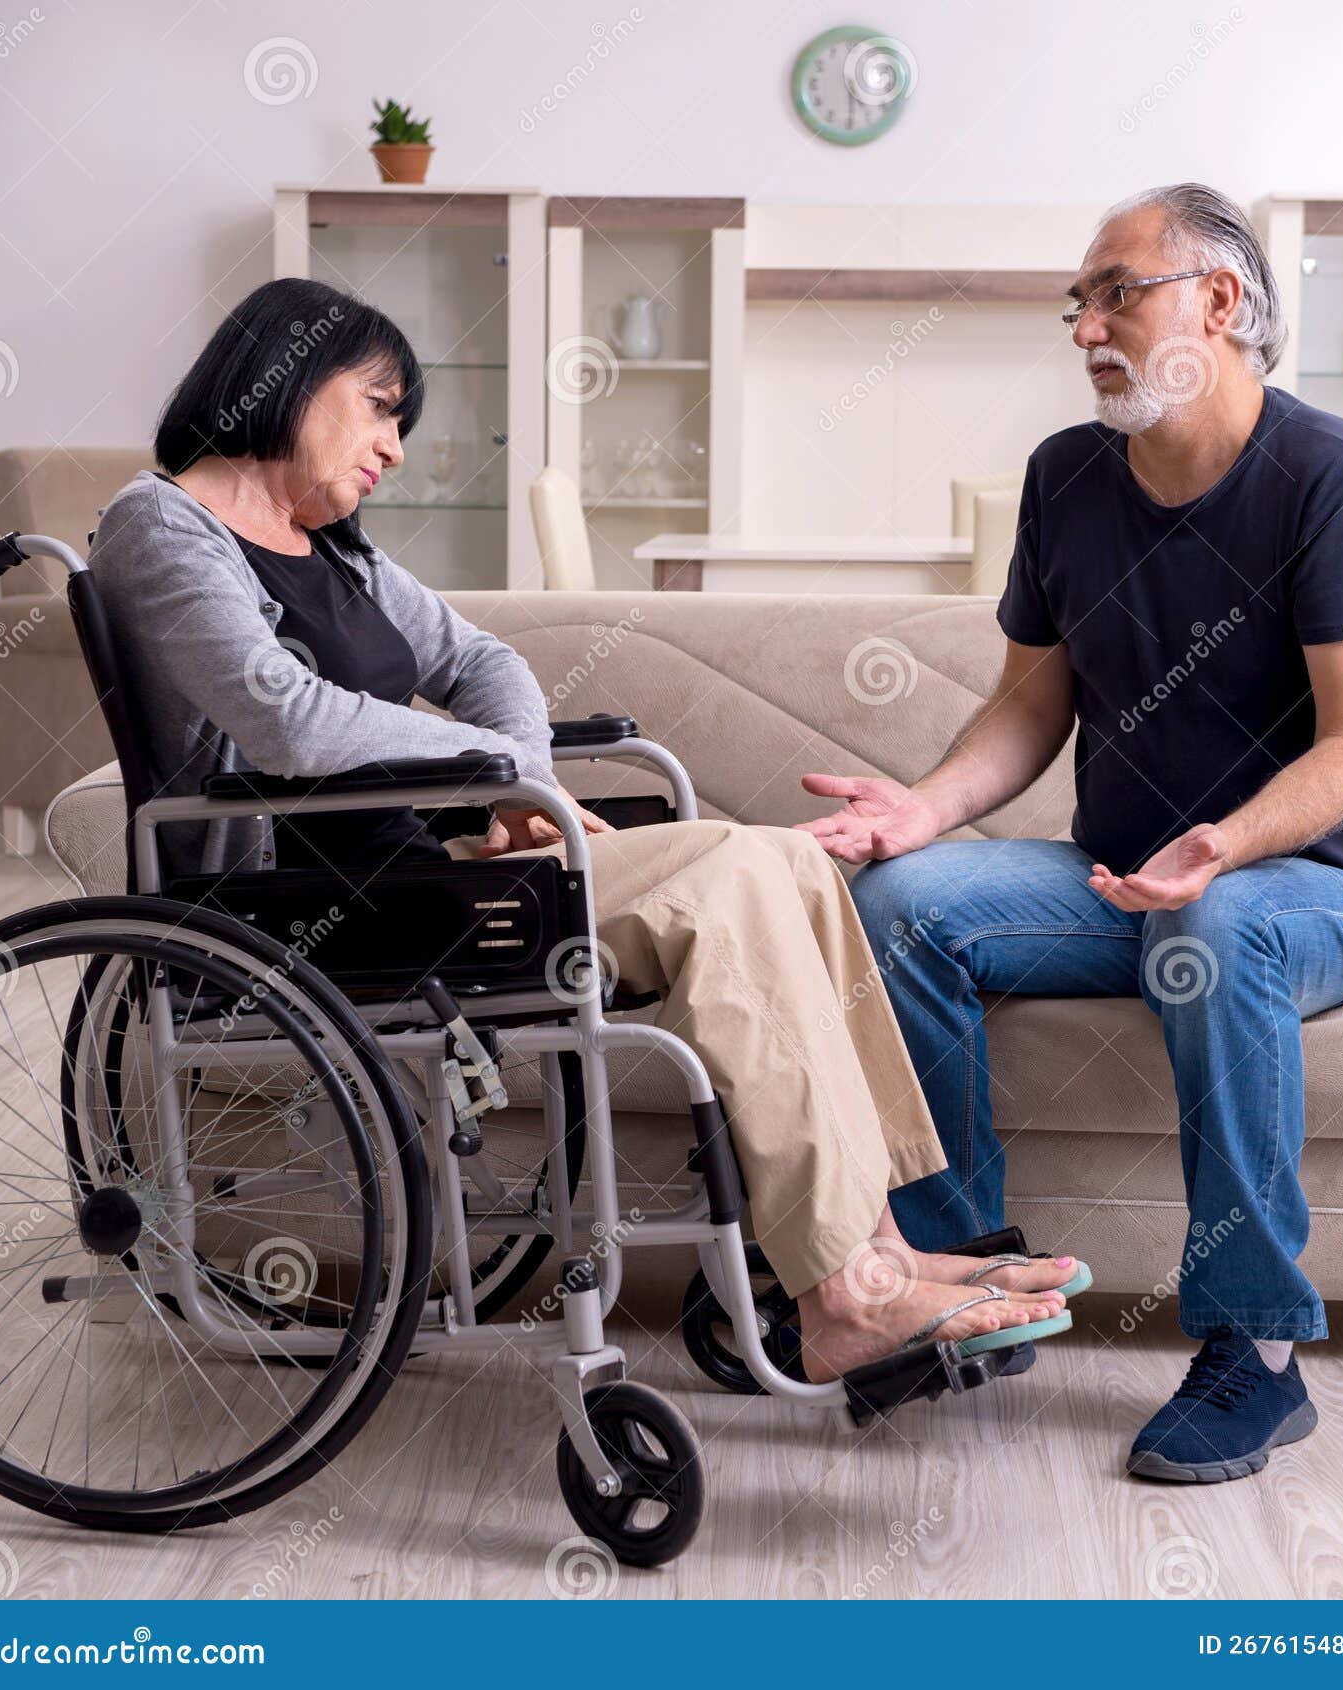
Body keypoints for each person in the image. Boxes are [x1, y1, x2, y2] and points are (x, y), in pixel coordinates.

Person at [88, 277, 1080, 1389]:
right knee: (731, 888)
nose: (395, 449)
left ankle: (878, 1250)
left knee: (786, 858)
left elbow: (486, 663)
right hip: (305, 914)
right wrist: (501, 773)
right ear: (285, 375)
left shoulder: (342, 553)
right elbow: (282, 717)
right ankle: (843, 1288)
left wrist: (512, 779)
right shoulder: (159, 524)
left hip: (430, 878)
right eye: (379, 408)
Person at [799, 183, 1343, 1477]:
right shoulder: (1065, 476)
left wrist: (1225, 844)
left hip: (1305, 888)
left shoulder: (1337, 480)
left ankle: (1254, 1346)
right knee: (905, 901)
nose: (1085, 323)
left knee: (1218, 915)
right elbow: (1031, 700)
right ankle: (966, 1286)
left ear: (1220, 300)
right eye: (1075, 301)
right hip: (1116, 879)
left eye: (1114, 291)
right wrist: (924, 808)